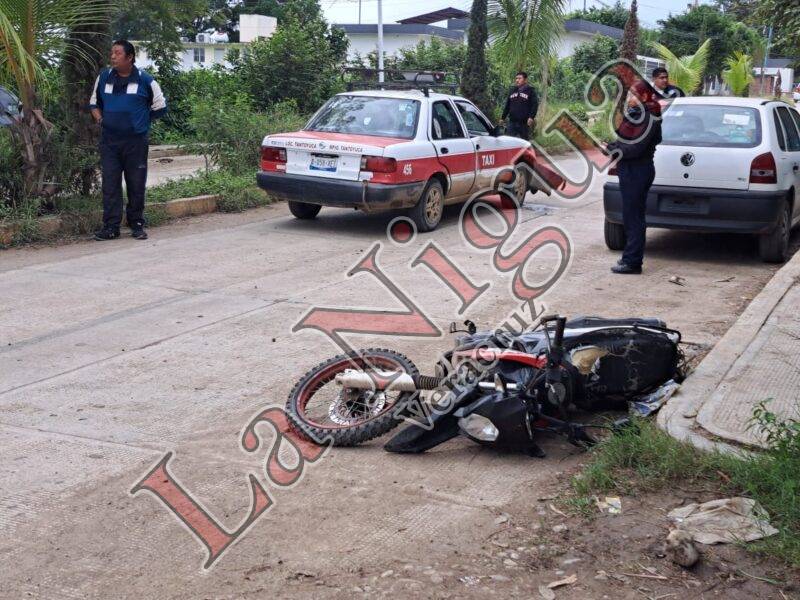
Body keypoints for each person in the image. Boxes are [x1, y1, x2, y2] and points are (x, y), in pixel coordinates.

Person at [89, 40, 167, 241]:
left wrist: (140, 123)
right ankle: (111, 227)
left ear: (130, 57)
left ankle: (137, 224)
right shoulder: (104, 77)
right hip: (110, 142)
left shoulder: (145, 80)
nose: (112, 56)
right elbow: (94, 104)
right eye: (111, 52)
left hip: (135, 143)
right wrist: (101, 120)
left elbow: (160, 107)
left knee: (136, 183)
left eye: (117, 53)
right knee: (110, 184)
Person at [606, 80, 662, 275]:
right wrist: (612, 146)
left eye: (633, 95)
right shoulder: (635, 116)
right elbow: (624, 141)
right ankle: (629, 257)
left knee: (634, 217)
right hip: (628, 169)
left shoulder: (650, 118)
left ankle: (633, 262)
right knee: (630, 216)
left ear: (644, 96)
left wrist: (615, 150)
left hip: (638, 170)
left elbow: (637, 148)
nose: (629, 98)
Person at [500, 72, 538, 140]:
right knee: (508, 141)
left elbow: (535, 105)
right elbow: (507, 105)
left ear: (525, 80)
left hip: (524, 123)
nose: (517, 80)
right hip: (512, 122)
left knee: (524, 142)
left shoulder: (530, 91)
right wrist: (503, 118)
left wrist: (531, 117)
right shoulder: (512, 90)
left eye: (519, 78)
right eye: (516, 78)